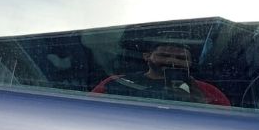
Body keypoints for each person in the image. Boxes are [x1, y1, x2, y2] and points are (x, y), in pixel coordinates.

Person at [91, 44, 230, 106]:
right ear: (146, 56)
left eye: (181, 58)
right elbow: (89, 109)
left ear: (191, 63)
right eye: (164, 56)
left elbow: (223, 123)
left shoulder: (208, 90)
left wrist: (199, 101)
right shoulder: (117, 82)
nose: (172, 62)